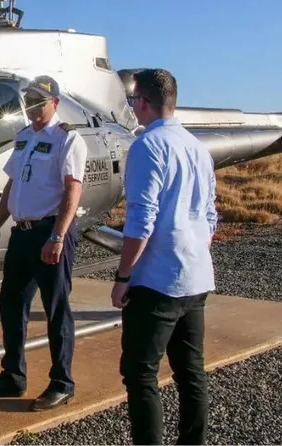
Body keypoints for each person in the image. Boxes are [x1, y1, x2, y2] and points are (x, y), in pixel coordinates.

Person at [112, 68, 217, 445]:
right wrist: (192, 253)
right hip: (196, 277)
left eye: (133, 101)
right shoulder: (197, 147)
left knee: (140, 373)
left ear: (142, 102)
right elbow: (210, 215)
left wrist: (123, 276)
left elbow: (140, 219)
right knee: (191, 371)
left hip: (157, 282)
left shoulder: (146, 146)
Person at [0, 75, 88, 411]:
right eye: (29, 102)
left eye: (39, 102)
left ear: (54, 104)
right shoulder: (24, 137)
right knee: (11, 304)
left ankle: (62, 382)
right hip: (22, 233)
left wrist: (58, 236)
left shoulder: (68, 139)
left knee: (56, 309)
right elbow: (12, 184)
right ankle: (13, 376)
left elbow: (73, 190)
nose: (32, 109)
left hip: (50, 232)